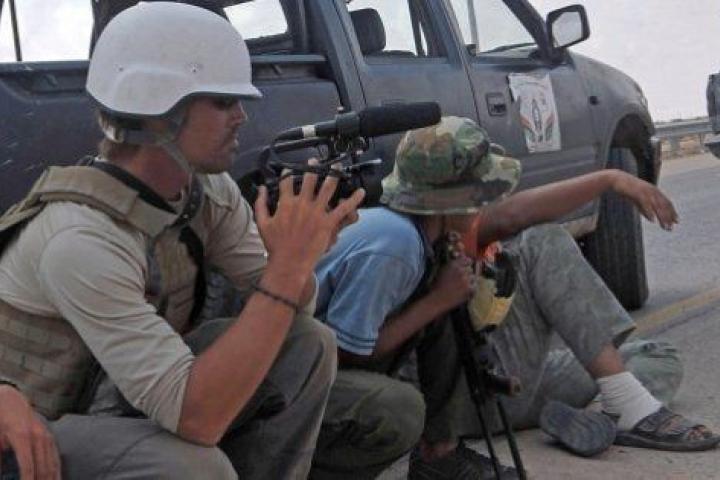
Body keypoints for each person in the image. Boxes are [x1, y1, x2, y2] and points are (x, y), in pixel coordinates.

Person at [0, 3, 363, 479]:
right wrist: (288, 268)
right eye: (223, 101)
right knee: (194, 468)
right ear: (158, 113)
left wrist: (300, 254)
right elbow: (199, 420)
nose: (241, 117)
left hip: (116, 392)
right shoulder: (81, 238)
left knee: (307, 343)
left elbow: (298, 309)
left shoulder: (205, 191)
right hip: (32, 429)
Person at [309, 116, 718, 480]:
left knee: (656, 355)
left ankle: (611, 405)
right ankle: (622, 405)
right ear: (454, 199)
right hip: (433, 393)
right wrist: (439, 300)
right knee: (543, 242)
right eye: (481, 192)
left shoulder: (429, 225)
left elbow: (514, 215)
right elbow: (346, 353)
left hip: (488, 375)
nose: (489, 201)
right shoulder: (397, 241)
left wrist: (609, 180)